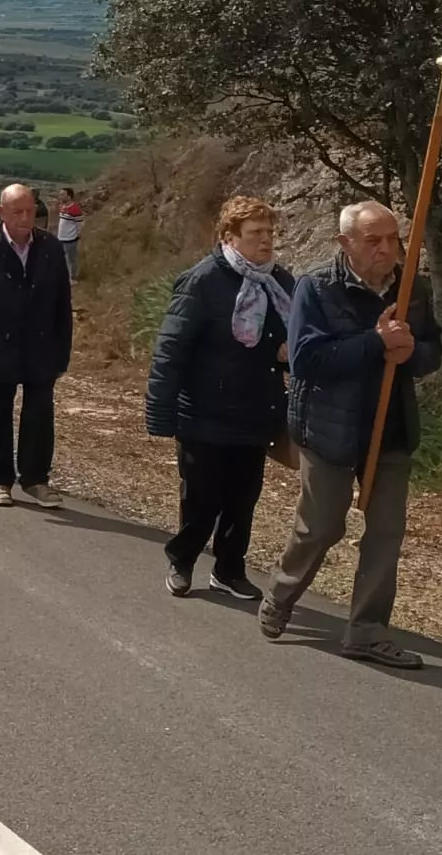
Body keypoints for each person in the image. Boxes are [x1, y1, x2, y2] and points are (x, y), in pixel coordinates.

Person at [261, 201, 442, 669]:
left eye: (392, 239)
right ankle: (282, 593)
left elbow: (431, 352)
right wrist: (375, 343)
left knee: (386, 533)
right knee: (322, 527)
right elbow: (305, 361)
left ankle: (366, 631)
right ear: (345, 244)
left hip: (391, 429)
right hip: (328, 428)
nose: (387, 250)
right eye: (373, 241)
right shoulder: (317, 287)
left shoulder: (411, 288)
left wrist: (408, 354)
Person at [145, 195, 295, 600]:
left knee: (242, 500)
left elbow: (291, 337)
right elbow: (171, 348)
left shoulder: (281, 282)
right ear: (230, 236)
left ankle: (229, 570)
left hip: (255, 410)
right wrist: (160, 412)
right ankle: (182, 559)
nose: (266, 241)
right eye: (255, 234)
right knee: (202, 500)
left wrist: (285, 351)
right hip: (203, 412)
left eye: (269, 232)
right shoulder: (203, 280)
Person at [0, 183, 74, 508]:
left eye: (30, 211)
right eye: (17, 211)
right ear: (1, 212)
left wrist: (62, 355)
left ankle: (35, 480)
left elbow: (63, 305)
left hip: (40, 349)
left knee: (39, 419)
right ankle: (0, 481)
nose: (24, 217)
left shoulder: (50, 248)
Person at [57, 187, 84, 280]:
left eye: (63, 195)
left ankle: (72, 277)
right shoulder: (62, 206)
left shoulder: (75, 208)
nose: (60, 196)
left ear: (69, 196)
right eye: (60, 194)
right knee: (62, 258)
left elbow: (80, 223)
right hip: (61, 237)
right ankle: (64, 276)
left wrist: (79, 234)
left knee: (71, 259)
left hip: (70, 238)